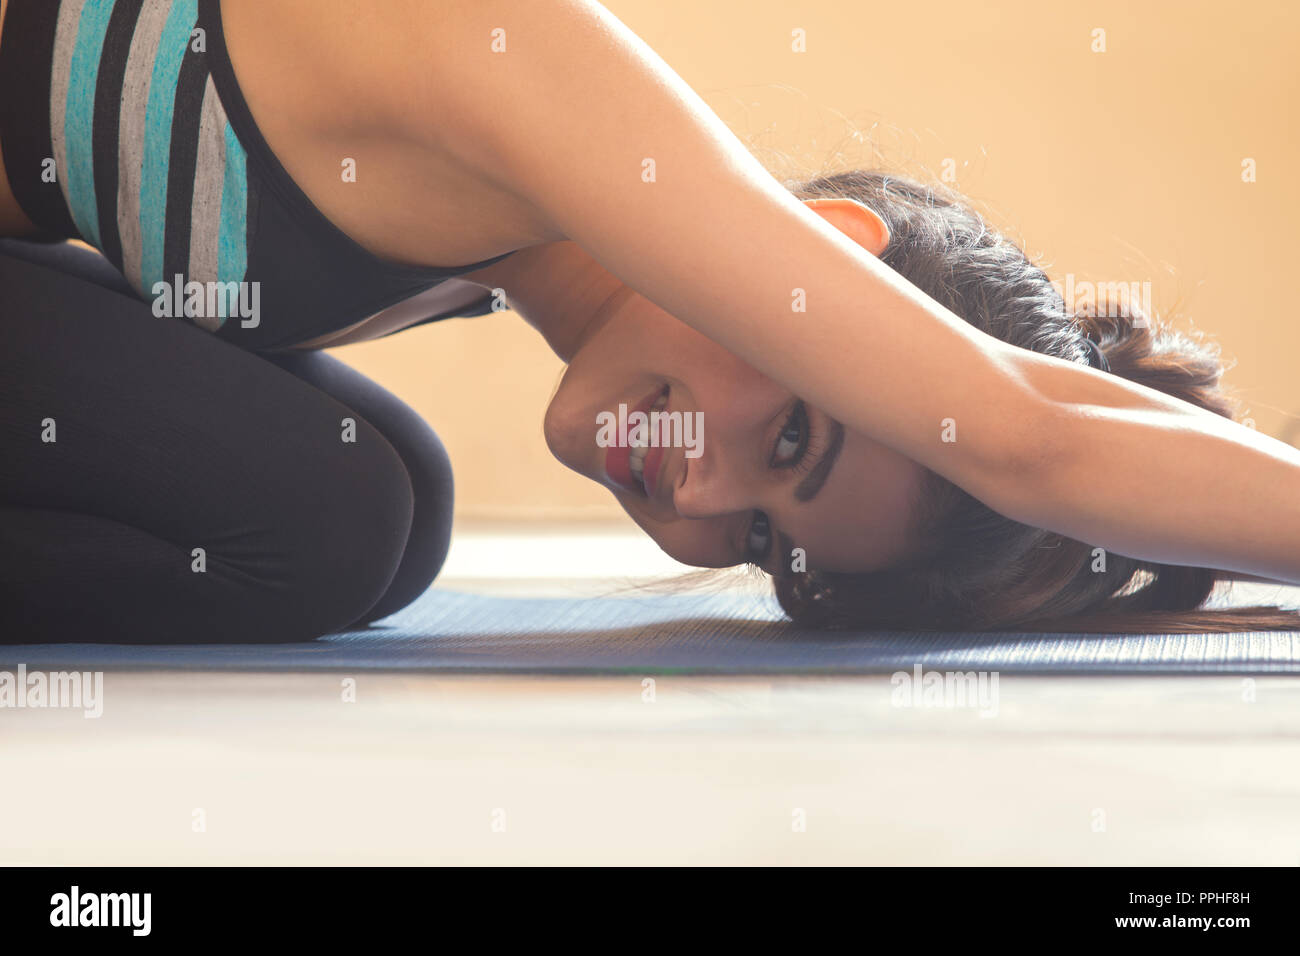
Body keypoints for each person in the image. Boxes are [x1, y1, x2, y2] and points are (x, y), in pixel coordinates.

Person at [2, 0, 1298, 643]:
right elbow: (1026, 434)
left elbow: (1039, 414)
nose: (692, 497)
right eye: (789, 443)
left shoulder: (497, 247)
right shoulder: (537, 75)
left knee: (389, 501)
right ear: (834, 258)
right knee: (341, 515)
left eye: (754, 538)